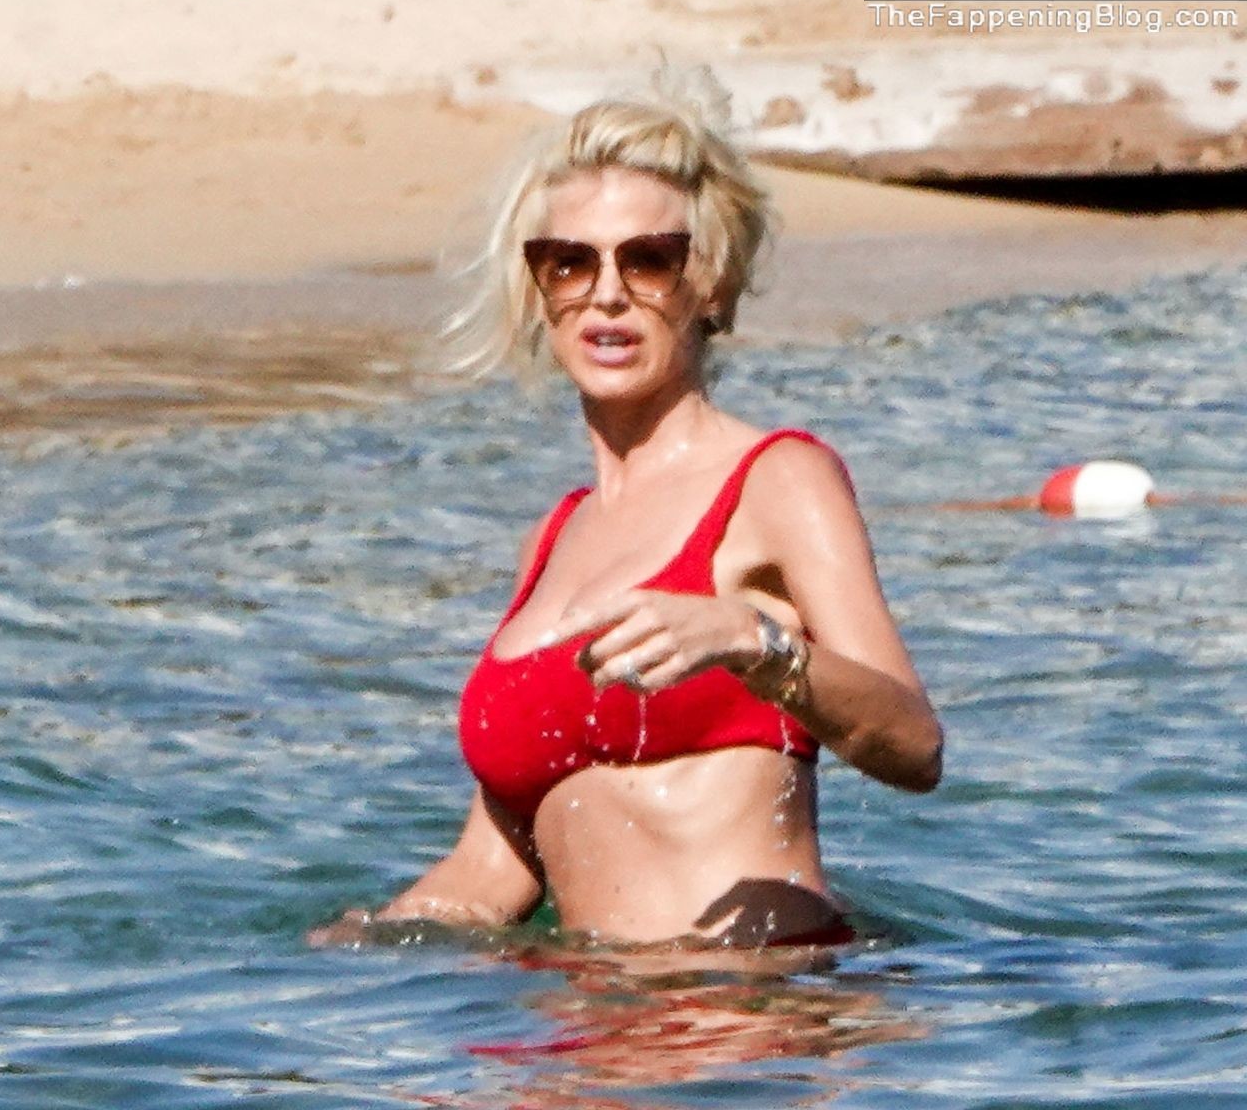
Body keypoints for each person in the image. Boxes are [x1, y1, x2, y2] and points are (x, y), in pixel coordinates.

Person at [319, 69, 943, 949]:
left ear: (712, 285)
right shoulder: (550, 540)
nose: (606, 293)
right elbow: (488, 872)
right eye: (569, 262)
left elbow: (913, 747)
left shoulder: (777, 480)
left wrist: (755, 644)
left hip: (745, 1012)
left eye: (648, 260)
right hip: (577, 1020)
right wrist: (350, 955)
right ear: (540, 290)